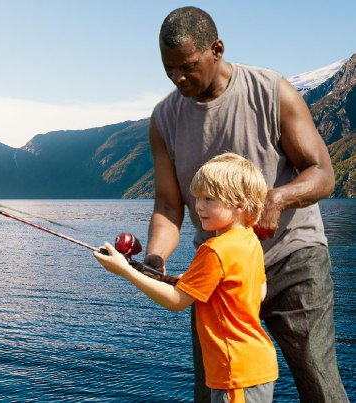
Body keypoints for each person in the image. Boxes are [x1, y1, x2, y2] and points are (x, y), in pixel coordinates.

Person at [143, 6, 348, 403]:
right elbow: (169, 207)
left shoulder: (272, 91)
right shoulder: (164, 119)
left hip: (293, 257)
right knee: (217, 390)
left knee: (319, 381)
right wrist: (154, 258)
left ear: (216, 49)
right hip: (219, 269)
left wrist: (279, 198)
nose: (177, 78)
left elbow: (323, 172)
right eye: (168, 69)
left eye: (186, 66)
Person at [95, 152, 278, 402]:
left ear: (240, 204)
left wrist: (125, 270)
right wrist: (198, 281)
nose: (199, 206)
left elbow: (176, 301)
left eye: (209, 198)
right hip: (255, 366)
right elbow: (259, 291)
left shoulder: (215, 249)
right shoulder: (249, 240)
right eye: (197, 197)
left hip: (235, 374)